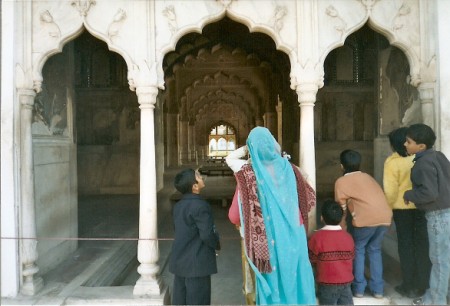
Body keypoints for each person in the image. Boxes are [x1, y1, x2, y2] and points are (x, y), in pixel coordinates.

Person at [225, 126, 317, 305]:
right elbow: (309, 198)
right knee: (294, 276)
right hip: (294, 235)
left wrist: (248, 148)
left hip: (268, 240)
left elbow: (234, 216)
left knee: (275, 282)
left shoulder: (249, 175)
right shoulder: (291, 169)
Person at [334, 149, 392, 299]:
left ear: (342, 166)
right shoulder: (368, 177)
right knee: (375, 250)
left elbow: (341, 209)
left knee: (358, 250)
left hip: (365, 220)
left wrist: (342, 230)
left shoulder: (341, 182)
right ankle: (378, 290)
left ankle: (359, 289)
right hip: (385, 218)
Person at [403, 123, 450, 305]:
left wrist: (409, 194)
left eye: (409, 142)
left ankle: (436, 301)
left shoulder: (423, 163)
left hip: (438, 217)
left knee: (439, 261)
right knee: (443, 260)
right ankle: (436, 296)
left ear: (421, 146)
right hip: (446, 213)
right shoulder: (438, 156)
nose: (405, 145)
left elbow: (429, 193)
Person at [383, 127, 431, 298]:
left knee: (405, 247)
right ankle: (423, 285)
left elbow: (390, 191)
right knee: (422, 246)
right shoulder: (419, 158)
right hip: (421, 208)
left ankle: (408, 285)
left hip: (401, 210)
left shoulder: (392, 162)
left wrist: (387, 210)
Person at [169, 168, 221, 305]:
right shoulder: (201, 206)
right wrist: (216, 244)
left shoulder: (178, 206)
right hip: (197, 264)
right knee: (198, 301)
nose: (202, 177)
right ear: (195, 186)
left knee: (180, 301)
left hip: (180, 262)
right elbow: (207, 234)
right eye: (198, 176)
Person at [308, 199, 355, 305]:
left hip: (327, 284)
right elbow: (352, 257)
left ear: (322, 218)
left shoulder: (317, 238)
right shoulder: (348, 237)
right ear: (342, 218)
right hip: (346, 284)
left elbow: (312, 259)